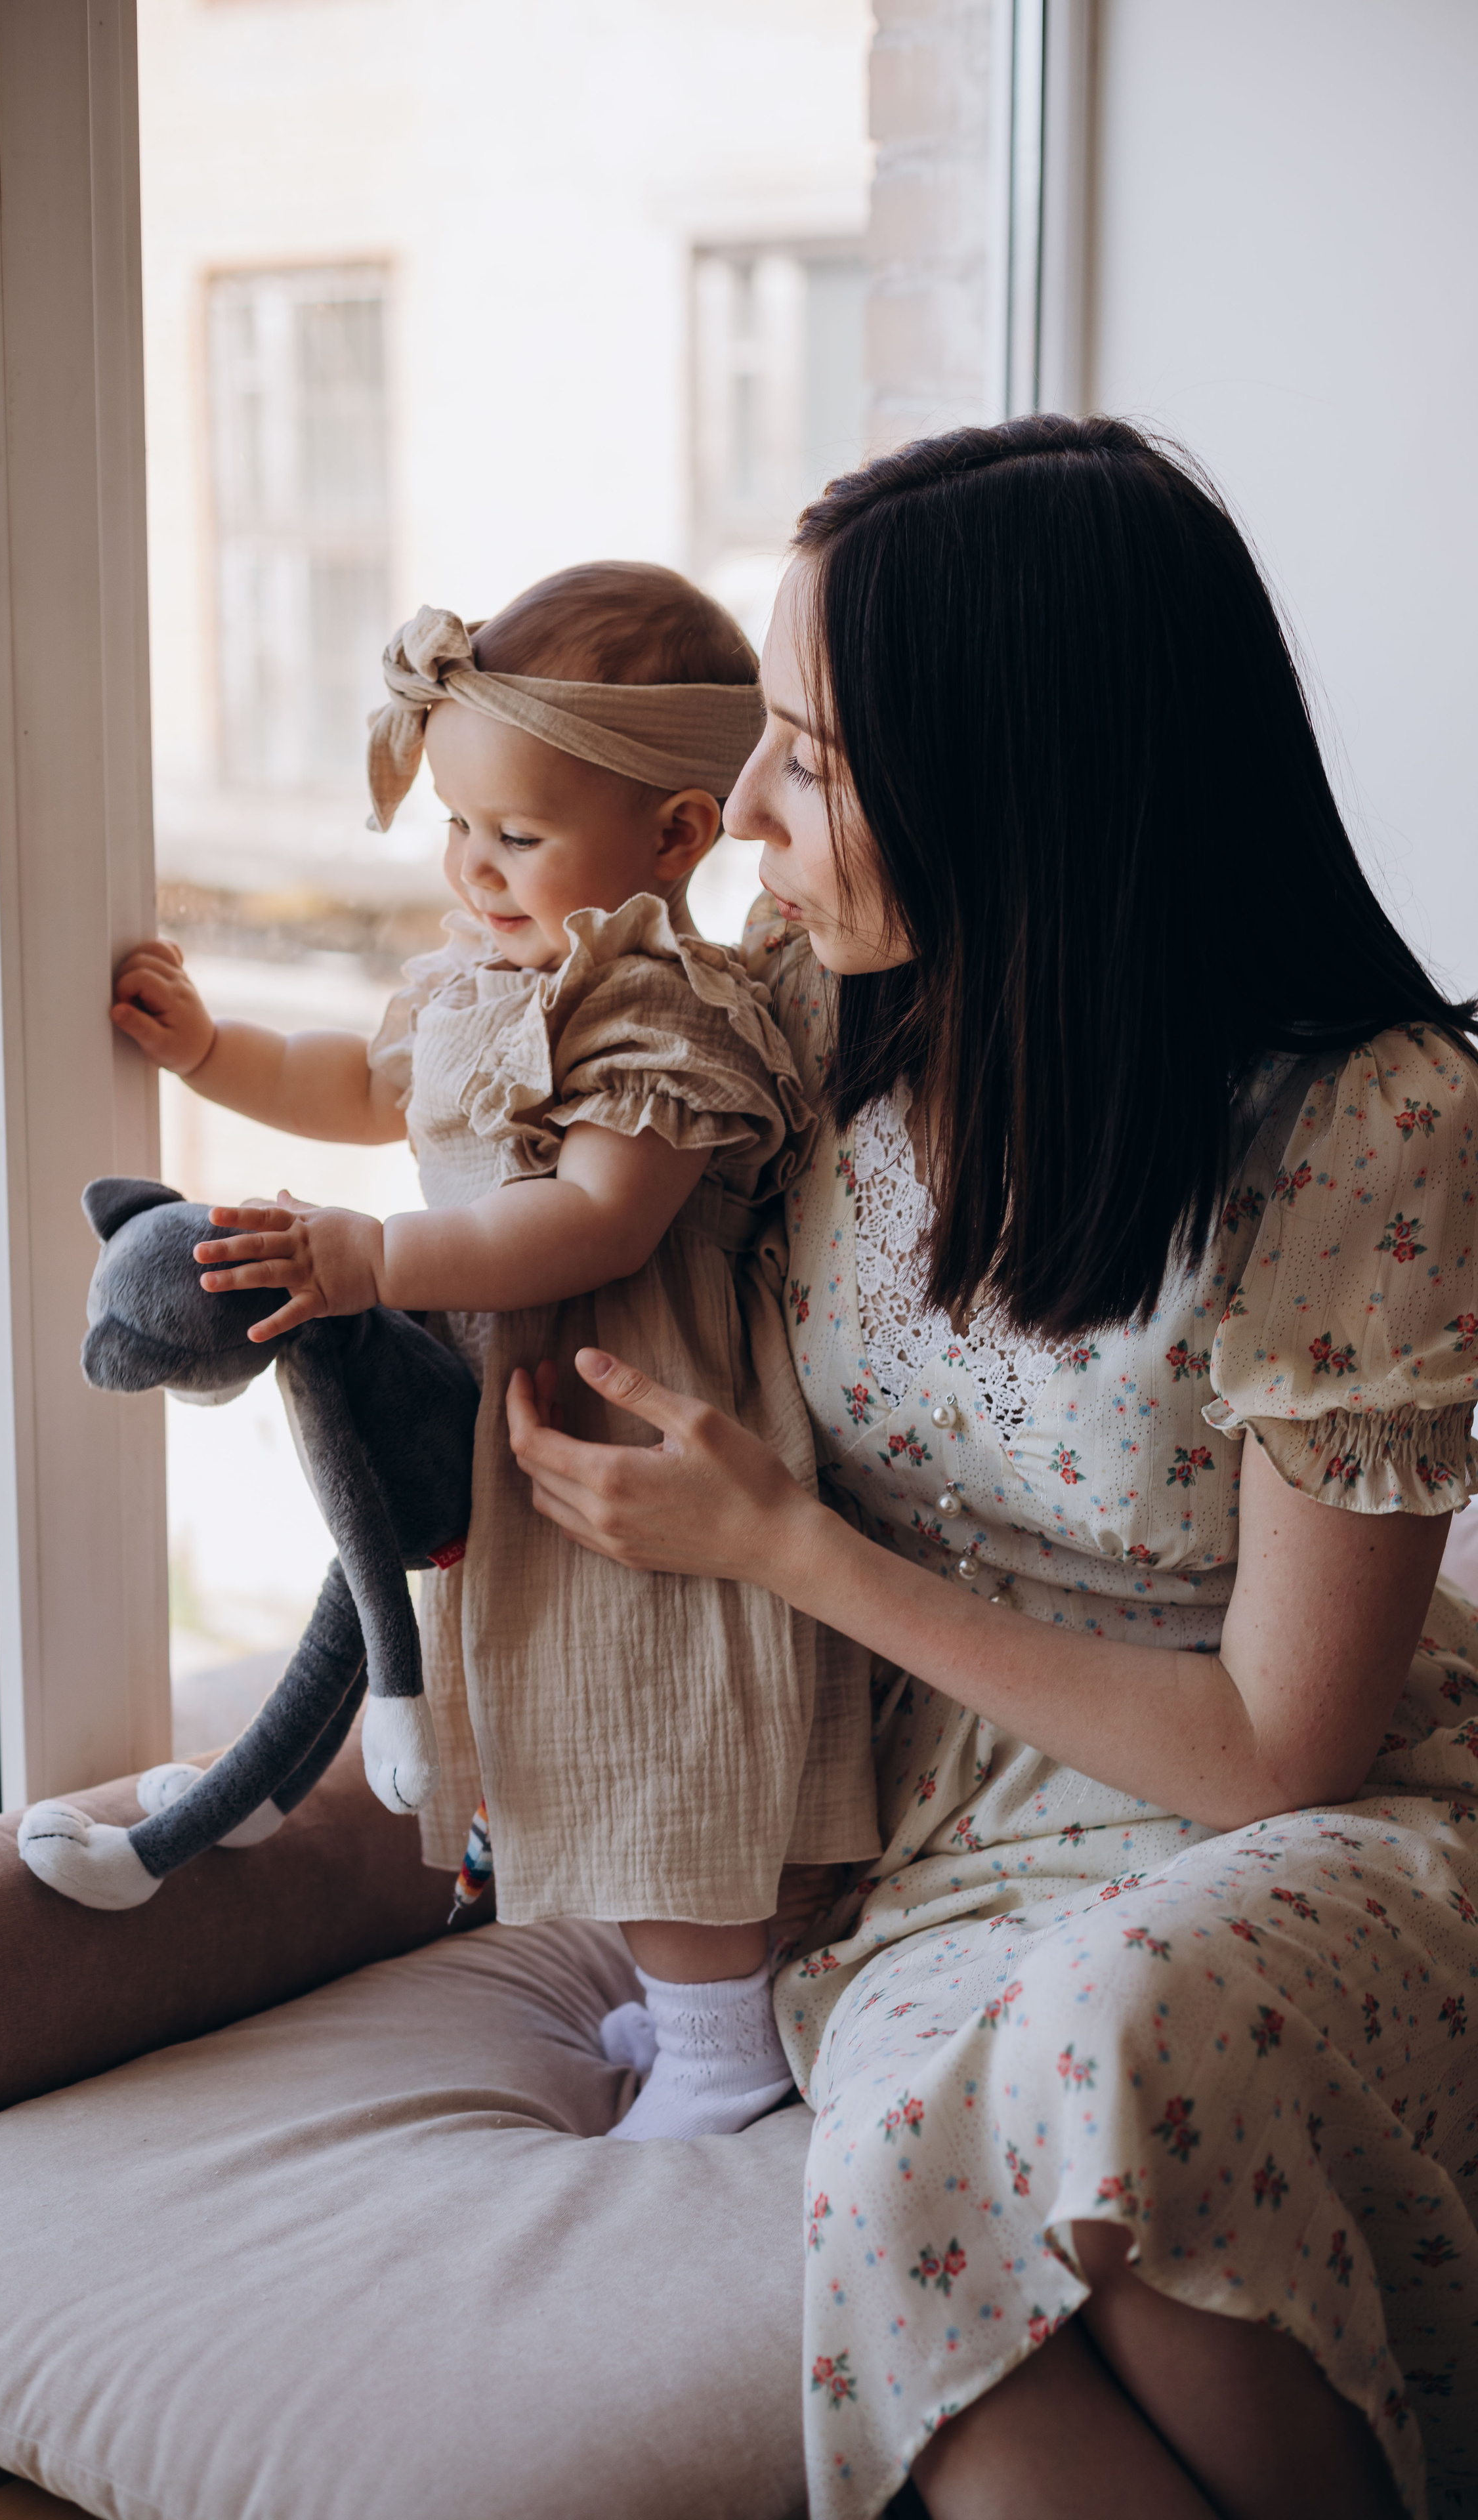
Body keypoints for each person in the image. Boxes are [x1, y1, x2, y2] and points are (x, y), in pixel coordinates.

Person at [506, 419, 1478, 2517]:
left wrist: (786, 1551)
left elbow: (1272, 1748)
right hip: (944, 1862)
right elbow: (522, 1057)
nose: (749, 815)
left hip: (1302, 1817)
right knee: (941, 2286)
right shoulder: (825, 1009)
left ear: (1021, 786)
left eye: (816, 761)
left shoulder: (1366, 1121)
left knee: (1103, 2049)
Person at [110, 562, 879, 2143]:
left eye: (517, 838)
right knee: (560, 1728)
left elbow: (596, 1221)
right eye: (460, 829)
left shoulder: (659, 1012)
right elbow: (354, 1079)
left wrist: (374, 1255)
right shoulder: (477, 979)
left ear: (675, 835)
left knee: (658, 1737)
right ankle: (696, 2014)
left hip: (636, 1433)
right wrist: (209, 1050)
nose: (473, 868)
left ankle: (722, 2050)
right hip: (515, 1417)